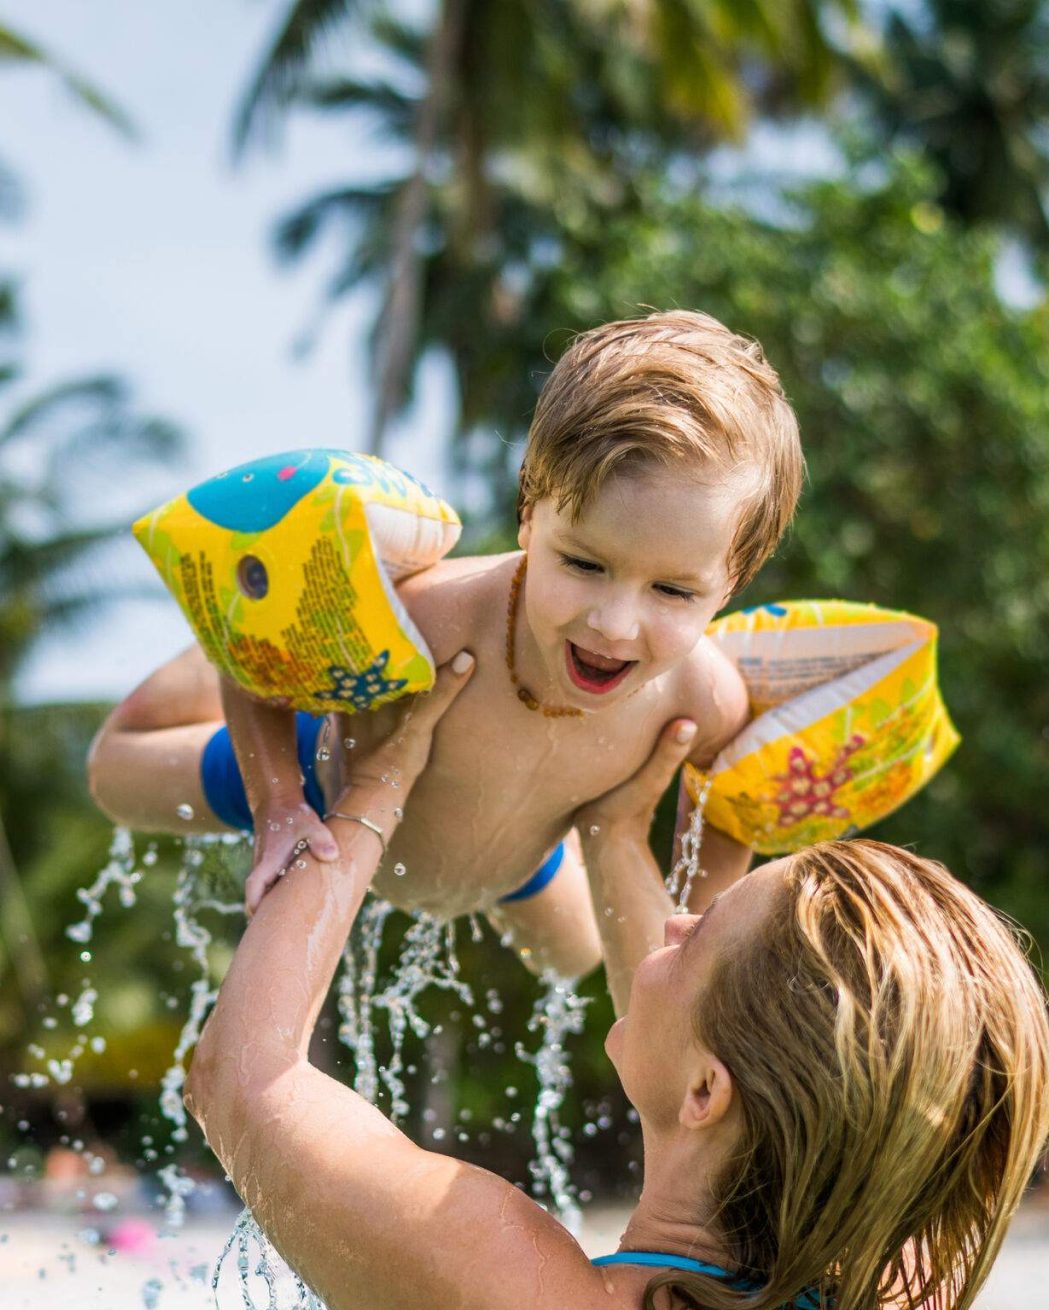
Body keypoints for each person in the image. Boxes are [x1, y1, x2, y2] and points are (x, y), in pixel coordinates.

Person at [185, 657, 1049, 1310]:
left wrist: (374, 786)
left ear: (704, 1095)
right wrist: (614, 835)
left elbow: (244, 1079)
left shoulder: (515, 1304)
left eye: (705, 926)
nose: (671, 929)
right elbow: (774, 1062)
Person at [89, 311, 800, 976]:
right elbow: (259, 668)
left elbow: (724, 816)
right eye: (584, 565)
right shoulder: (429, 620)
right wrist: (278, 802)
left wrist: (699, 929)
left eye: (672, 592)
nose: (615, 625)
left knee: (575, 957)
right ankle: (230, 640)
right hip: (323, 771)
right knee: (114, 776)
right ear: (529, 513)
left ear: (732, 580)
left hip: (517, 863)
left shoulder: (705, 700)